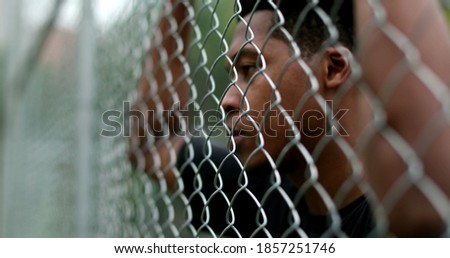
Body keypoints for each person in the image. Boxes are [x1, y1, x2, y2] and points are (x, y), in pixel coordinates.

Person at [129, 0, 450, 237]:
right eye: (231, 76)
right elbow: (148, 144)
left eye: (250, 69)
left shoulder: (390, 215)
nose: (227, 100)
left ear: (333, 68)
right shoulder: (252, 194)